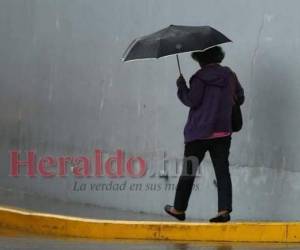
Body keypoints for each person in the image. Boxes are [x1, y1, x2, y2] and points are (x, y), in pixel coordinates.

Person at [164, 46, 245, 222]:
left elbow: (191, 100)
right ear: (218, 57)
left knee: (189, 172)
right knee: (222, 172)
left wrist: (181, 86)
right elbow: (240, 98)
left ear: (200, 59)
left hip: (198, 134)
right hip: (222, 133)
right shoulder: (229, 75)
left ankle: (178, 209)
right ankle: (224, 211)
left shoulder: (199, 78)